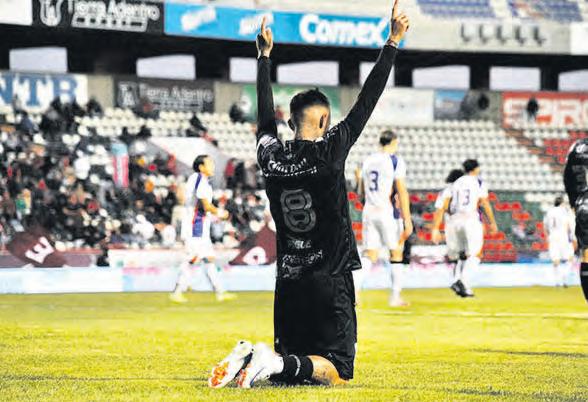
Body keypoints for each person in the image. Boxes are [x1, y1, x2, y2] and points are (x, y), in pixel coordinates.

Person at [208, 3, 410, 388]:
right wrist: (393, 42)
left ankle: (254, 357)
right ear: (324, 120)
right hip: (329, 277)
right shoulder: (330, 151)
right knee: (338, 372)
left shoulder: (271, 156)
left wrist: (264, 58)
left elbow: (264, 121)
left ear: (289, 122)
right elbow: (367, 101)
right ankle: (265, 361)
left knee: (296, 367)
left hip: (289, 279)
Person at [356, 130, 412, 307]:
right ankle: (395, 297)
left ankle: (353, 290)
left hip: (369, 211)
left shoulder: (368, 161)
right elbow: (401, 191)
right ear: (394, 142)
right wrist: (407, 220)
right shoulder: (395, 161)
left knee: (369, 254)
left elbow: (360, 192)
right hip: (387, 212)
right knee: (396, 252)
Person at [170, 155, 236, 303]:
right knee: (192, 259)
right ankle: (177, 291)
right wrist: (220, 213)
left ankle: (219, 292)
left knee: (209, 259)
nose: (213, 166)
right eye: (209, 163)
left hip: (200, 226)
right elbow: (205, 205)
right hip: (196, 226)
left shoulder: (199, 180)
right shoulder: (200, 180)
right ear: (201, 167)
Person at [432, 160, 498, 297]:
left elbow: (443, 206)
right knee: (476, 254)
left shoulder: (455, 184)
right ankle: (462, 281)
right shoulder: (478, 182)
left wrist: (435, 228)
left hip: (454, 221)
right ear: (476, 169)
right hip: (470, 219)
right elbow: (484, 203)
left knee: (462, 254)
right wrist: (492, 222)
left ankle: (459, 283)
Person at [431, 169, 465, 295]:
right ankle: (458, 280)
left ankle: (458, 280)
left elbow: (439, 210)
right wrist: (435, 228)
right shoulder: (455, 191)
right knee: (462, 255)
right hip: (459, 224)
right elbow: (441, 209)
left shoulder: (446, 191)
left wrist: (435, 229)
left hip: (451, 226)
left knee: (458, 256)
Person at [563, 139, 588, 302]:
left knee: (587, 253)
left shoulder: (577, 146)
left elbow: (567, 177)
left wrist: (575, 203)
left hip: (583, 205)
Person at [543, 195, 575, 287]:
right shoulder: (565, 211)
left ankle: (557, 281)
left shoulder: (549, 212)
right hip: (563, 237)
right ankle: (564, 278)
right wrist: (572, 237)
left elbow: (545, 227)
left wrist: (548, 237)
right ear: (562, 203)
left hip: (553, 237)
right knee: (570, 258)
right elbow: (569, 225)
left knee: (556, 260)